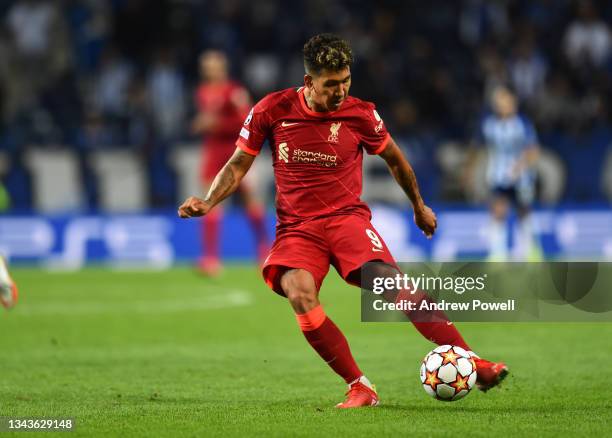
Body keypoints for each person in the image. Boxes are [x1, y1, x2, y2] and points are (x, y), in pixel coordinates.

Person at [179, 34, 507, 408]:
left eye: (345, 81)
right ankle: (360, 386)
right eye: (330, 84)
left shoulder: (361, 113)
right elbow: (239, 164)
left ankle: (473, 361)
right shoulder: (272, 109)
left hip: (346, 220)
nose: (339, 91)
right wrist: (208, 201)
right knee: (299, 293)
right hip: (297, 228)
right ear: (309, 82)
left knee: (391, 284)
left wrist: (419, 205)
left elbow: (396, 161)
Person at [193, 50, 268, 275]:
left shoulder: (234, 91)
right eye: (206, 66)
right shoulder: (202, 92)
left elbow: (247, 120)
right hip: (214, 152)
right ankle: (210, 259)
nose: (209, 70)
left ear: (222, 67)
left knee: (249, 200)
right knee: (210, 201)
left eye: (212, 65)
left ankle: (265, 251)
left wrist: (216, 124)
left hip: (237, 151)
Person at [476, 86, 541, 261]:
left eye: (506, 100)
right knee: (498, 211)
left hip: (521, 177)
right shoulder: (488, 125)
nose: (502, 105)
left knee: (524, 211)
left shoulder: (523, 124)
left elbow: (533, 150)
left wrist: (520, 167)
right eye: (499, 101)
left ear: (514, 102)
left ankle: (530, 252)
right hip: (498, 176)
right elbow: (479, 148)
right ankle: (498, 253)